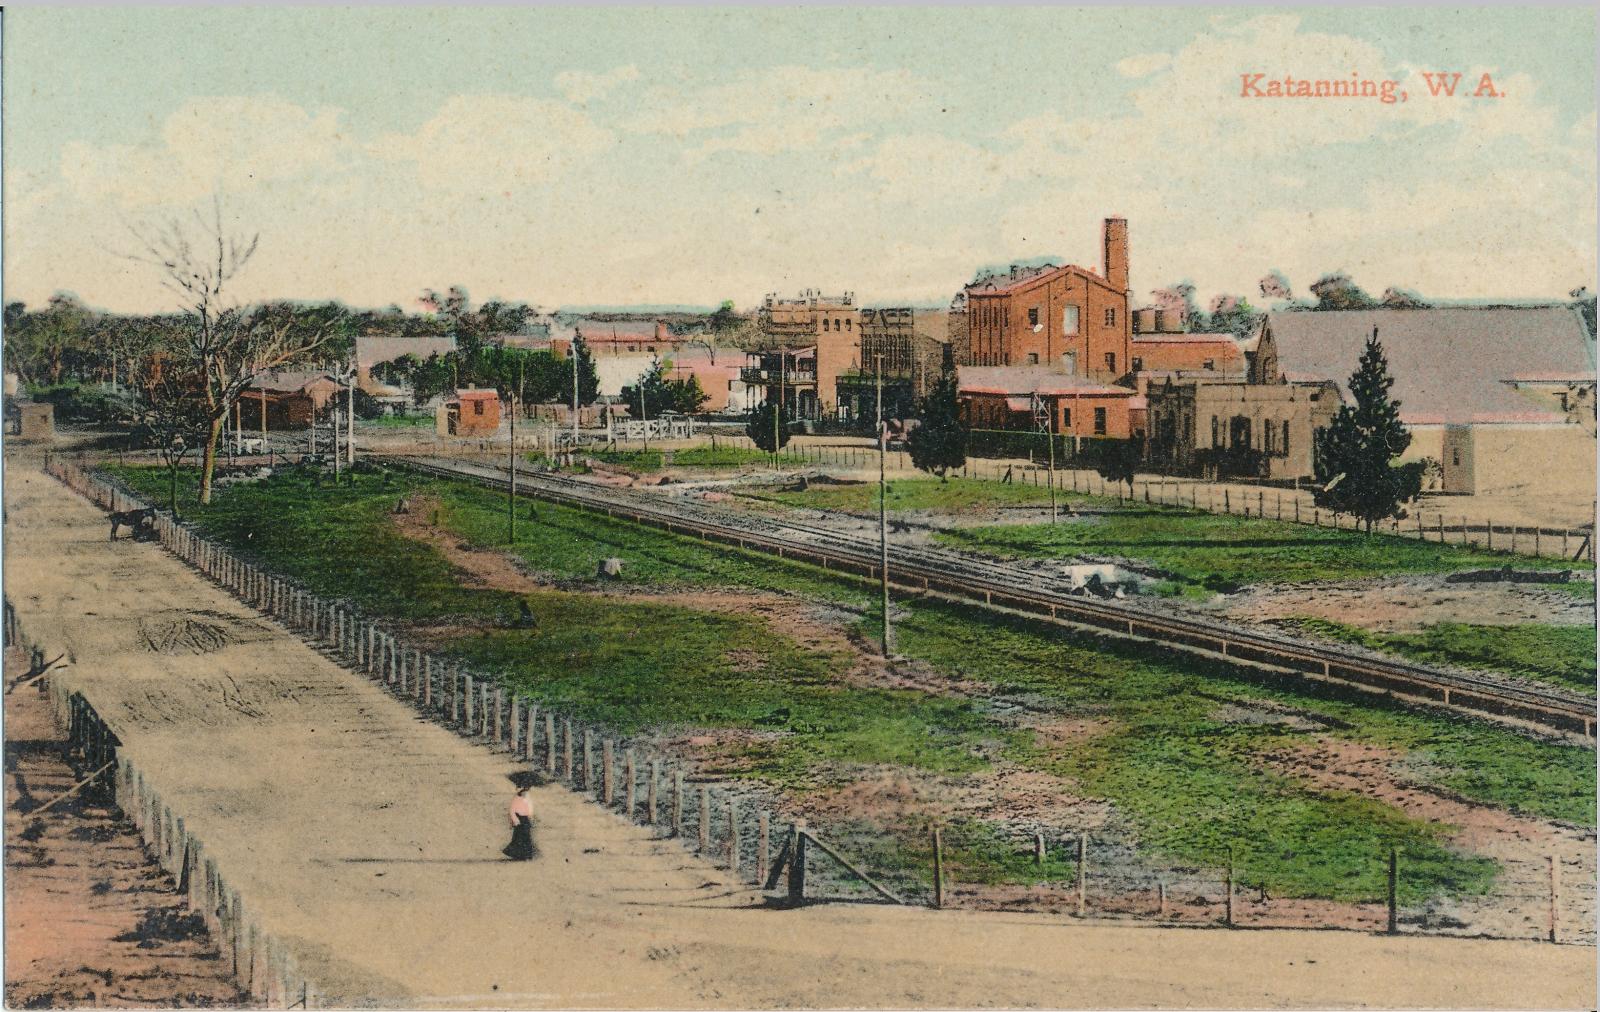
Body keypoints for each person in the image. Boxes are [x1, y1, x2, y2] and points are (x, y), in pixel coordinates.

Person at [503, 785, 537, 861]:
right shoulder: (517, 799)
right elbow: (512, 810)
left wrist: (530, 817)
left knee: (526, 837)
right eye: (524, 792)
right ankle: (518, 854)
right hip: (519, 819)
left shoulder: (527, 799)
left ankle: (526, 854)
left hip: (526, 819)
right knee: (518, 837)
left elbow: (530, 810)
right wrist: (515, 820)